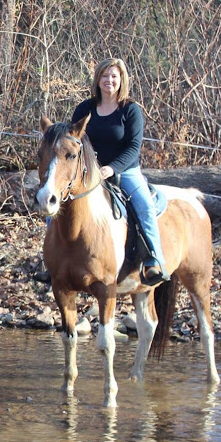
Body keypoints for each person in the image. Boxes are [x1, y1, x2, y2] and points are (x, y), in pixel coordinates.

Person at [71, 57, 169, 284]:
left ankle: (155, 260)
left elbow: (134, 147)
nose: (109, 80)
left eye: (114, 76)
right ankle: (49, 260)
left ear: (121, 80)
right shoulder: (84, 108)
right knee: (59, 202)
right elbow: (74, 138)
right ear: (98, 79)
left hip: (125, 171)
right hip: (89, 172)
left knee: (144, 206)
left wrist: (112, 168)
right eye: (105, 75)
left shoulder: (130, 110)